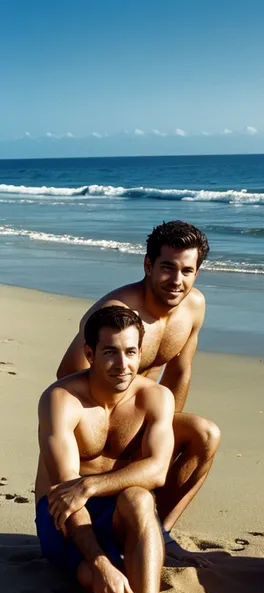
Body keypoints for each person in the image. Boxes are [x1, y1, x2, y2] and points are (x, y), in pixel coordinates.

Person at [57, 221, 220, 556]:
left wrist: (161, 434)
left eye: (187, 270)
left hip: (145, 416)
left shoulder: (194, 307)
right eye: (167, 268)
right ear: (148, 265)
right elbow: (66, 376)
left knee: (206, 435)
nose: (177, 281)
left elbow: (180, 371)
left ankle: (163, 530)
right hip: (100, 426)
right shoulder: (115, 314)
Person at [35, 306, 176, 593]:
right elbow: (65, 496)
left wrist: (91, 485)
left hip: (110, 506)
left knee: (139, 497)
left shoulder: (155, 398)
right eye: (110, 351)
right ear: (90, 352)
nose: (122, 363)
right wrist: (100, 565)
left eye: (131, 352)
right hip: (62, 519)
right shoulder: (62, 400)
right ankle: (99, 570)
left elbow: (158, 470)